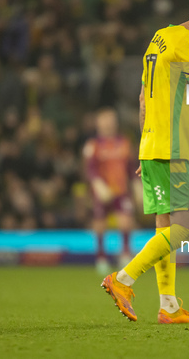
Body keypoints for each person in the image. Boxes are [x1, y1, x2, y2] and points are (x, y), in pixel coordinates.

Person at [101, 0, 189, 324]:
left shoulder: (159, 37)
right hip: (174, 146)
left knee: (165, 227)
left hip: (152, 143)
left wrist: (143, 146)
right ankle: (122, 279)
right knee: (186, 228)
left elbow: (142, 98)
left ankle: (168, 306)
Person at [83, 108, 138, 274]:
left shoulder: (124, 143)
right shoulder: (93, 145)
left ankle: (125, 254)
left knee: (126, 222)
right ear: (98, 123)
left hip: (120, 190)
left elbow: (131, 167)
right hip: (102, 191)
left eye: (111, 119)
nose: (108, 123)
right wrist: (98, 185)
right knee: (100, 224)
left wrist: (137, 184)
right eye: (104, 120)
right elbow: (89, 169)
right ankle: (101, 257)